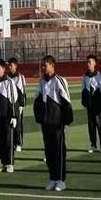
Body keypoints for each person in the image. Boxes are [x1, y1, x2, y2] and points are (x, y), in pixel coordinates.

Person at [34, 55, 73, 192]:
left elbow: (67, 102)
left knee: (59, 151)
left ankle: (61, 180)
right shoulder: (42, 82)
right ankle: (52, 178)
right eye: (42, 65)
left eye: (45, 65)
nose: (43, 68)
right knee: (49, 152)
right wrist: (39, 119)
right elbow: (37, 102)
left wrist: (67, 122)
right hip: (46, 123)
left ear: (52, 65)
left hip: (57, 123)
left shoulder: (59, 81)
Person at [0, 58, 19, 173]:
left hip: (7, 117)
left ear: (3, 69)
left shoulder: (9, 82)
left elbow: (13, 99)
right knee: (0, 141)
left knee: (8, 140)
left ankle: (10, 163)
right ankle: (3, 162)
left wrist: (14, 116)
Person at [81, 55, 101, 154]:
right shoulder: (85, 77)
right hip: (90, 106)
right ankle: (93, 144)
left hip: (98, 106)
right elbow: (83, 89)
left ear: (94, 63)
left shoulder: (100, 76)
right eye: (87, 62)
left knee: (100, 125)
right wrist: (84, 102)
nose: (88, 64)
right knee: (91, 126)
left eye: (90, 62)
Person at [7, 57, 27, 153]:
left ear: (16, 66)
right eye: (9, 65)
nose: (9, 67)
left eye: (11, 65)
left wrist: (21, 105)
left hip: (17, 104)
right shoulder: (7, 77)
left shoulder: (20, 77)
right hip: (9, 105)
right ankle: (12, 143)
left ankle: (18, 143)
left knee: (18, 124)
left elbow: (22, 91)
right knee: (10, 124)